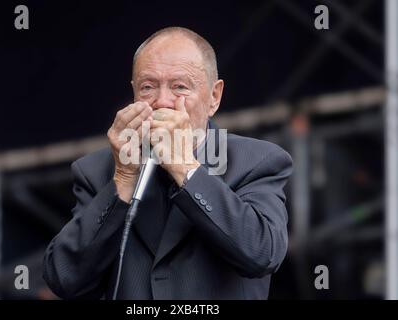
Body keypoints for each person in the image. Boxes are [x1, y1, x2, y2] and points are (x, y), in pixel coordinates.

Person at [43, 26, 293, 299]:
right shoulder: (97, 170)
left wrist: (185, 166)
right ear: (134, 93)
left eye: (180, 87)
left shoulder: (255, 160)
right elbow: (63, 278)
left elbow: (263, 254)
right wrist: (123, 181)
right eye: (148, 87)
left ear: (214, 97)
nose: (162, 101)